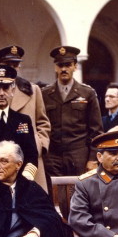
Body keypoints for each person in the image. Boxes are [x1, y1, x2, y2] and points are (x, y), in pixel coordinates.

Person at [0, 45, 51, 191]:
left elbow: (43, 122)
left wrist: (40, 145)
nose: (13, 68)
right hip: (0, 159)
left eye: (16, 64)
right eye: (8, 64)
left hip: (29, 158)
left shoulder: (32, 90)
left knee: (33, 201)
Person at [42, 46, 103, 176]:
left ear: (75, 66)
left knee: (78, 193)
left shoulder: (87, 93)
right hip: (53, 157)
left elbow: (96, 130)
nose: (64, 69)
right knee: (55, 194)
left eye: (68, 65)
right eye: (60, 65)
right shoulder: (45, 94)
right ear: (55, 67)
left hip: (79, 156)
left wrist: (93, 158)